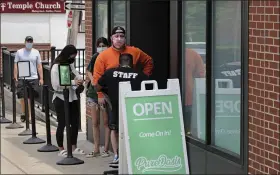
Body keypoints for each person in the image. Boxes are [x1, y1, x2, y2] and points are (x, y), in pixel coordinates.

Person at [95, 53, 148, 165]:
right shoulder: (139, 75)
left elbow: (97, 87)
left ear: (119, 63)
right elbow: (147, 90)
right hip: (134, 108)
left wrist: (106, 89)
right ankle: (134, 156)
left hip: (115, 107)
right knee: (133, 131)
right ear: (132, 63)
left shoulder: (110, 72)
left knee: (114, 130)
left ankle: (117, 156)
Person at [50, 44, 85, 157]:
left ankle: (73, 147)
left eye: (74, 56)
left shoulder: (70, 65)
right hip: (60, 97)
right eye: (71, 56)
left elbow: (76, 74)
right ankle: (61, 148)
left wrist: (79, 79)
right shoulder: (56, 67)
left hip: (72, 96)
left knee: (74, 123)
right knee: (62, 123)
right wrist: (73, 82)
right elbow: (56, 85)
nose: (73, 58)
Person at [86, 37, 111, 158]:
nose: (101, 47)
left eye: (103, 45)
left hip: (105, 93)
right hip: (93, 94)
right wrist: (93, 81)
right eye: (99, 45)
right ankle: (96, 148)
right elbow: (89, 71)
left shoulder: (110, 57)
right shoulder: (95, 56)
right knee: (95, 122)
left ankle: (106, 149)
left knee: (106, 122)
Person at [13, 36, 44, 123]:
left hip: (33, 78)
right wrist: (15, 76)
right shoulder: (19, 52)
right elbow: (16, 65)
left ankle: (29, 116)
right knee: (22, 97)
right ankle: (23, 112)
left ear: (32, 42)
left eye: (31, 41)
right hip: (22, 77)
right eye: (28, 41)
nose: (29, 43)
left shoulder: (36, 52)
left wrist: (41, 78)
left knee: (30, 98)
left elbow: (39, 66)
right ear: (25, 42)